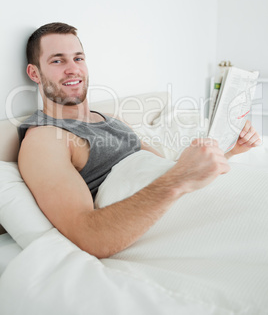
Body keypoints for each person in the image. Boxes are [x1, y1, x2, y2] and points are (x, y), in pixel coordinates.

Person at [18, 22, 261, 259]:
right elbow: (88, 235)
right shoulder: (45, 138)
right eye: (57, 60)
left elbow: (163, 169)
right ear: (34, 73)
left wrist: (228, 152)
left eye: (78, 58)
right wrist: (182, 177)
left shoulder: (110, 119)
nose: (73, 69)